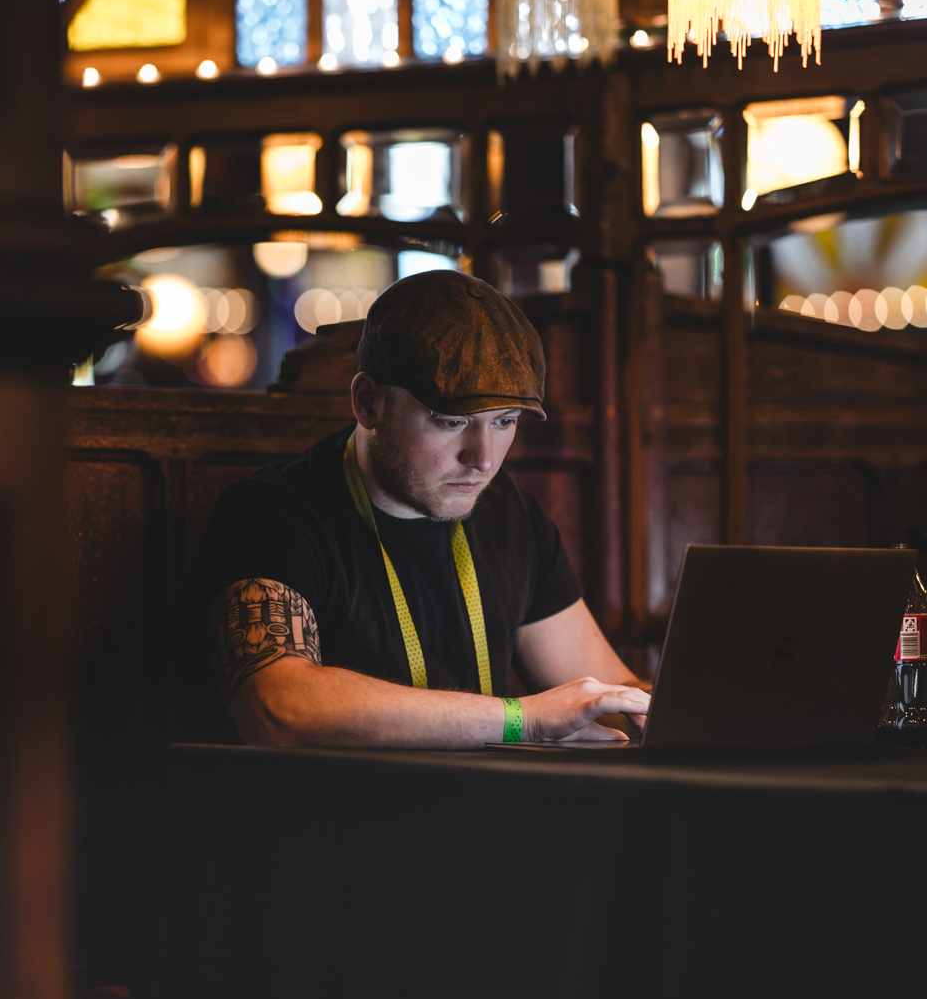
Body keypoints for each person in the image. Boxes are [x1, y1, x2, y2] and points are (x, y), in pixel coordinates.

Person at [186, 269, 649, 748]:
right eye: (452, 422)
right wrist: (520, 720)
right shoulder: (271, 517)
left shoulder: (510, 515)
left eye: (504, 421)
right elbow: (278, 708)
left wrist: (669, 710)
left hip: (476, 797)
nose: (483, 459)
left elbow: (611, 695)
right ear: (368, 402)